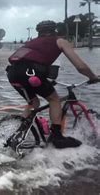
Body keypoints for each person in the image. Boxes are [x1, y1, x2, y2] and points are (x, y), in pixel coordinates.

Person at [6, 20, 99, 149]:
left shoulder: (31, 42)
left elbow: (29, 59)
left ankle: (17, 134)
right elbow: (81, 66)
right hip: (31, 73)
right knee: (54, 99)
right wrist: (93, 77)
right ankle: (57, 137)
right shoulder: (60, 41)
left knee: (34, 103)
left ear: (39, 32)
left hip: (12, 73)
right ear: (55, 30)